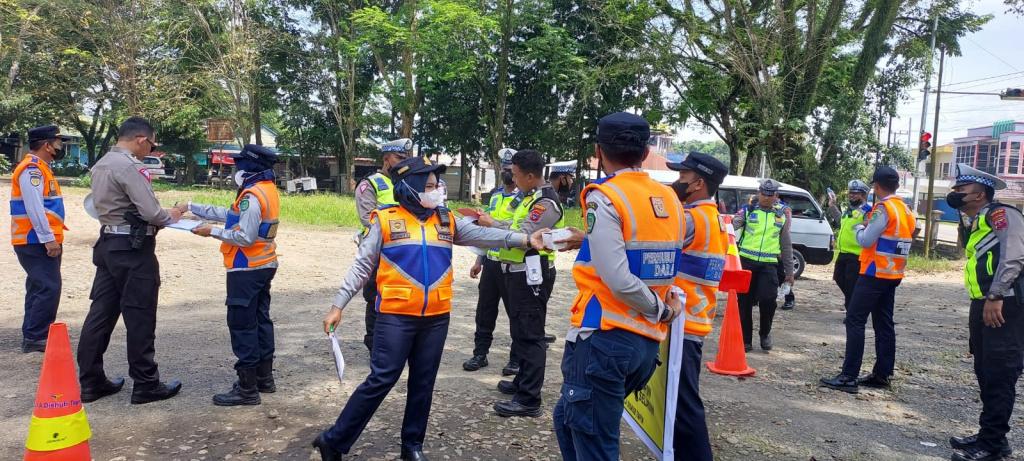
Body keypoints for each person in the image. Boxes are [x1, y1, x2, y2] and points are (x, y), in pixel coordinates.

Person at [312, 156, 545, 461]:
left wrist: (525, 239)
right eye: (431, 186)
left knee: (423, 382)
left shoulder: (446, 220)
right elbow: (361, 267)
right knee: (381, 379)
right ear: (410, 187)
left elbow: (485, 235)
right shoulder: (384, 220)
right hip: (395, 318)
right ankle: (333, 440)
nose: (438, 191)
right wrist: (338, 305)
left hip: (435, 318)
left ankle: (412, 446)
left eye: (438, 185)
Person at [552, 111, 683, 461]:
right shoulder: (669, 198)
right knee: (566, 418)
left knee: (595, 442)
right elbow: (647, 251)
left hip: (606, 338)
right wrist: (588, 239)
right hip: (643, 345)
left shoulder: (606, 196)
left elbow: (620, 280)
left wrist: (661, 311)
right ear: (645, 152)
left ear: (599, 151)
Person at [77, 117, 184, 404]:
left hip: (108, 245)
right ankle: (146, 383)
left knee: (101, 313)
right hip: (133, 249)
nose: (151, 150)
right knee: (140, 315)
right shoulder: (130, 167)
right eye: (152, 145)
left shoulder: (102, 164)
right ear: (140, 139)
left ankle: (90, 381)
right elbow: (152, 213)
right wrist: (173, 215)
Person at [179, 144, 281, 406]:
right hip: (263, 264)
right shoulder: (265, 189)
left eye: (240, 164)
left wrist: (210, 231)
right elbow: (232, 215)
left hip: (245, 267)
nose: (237, 169)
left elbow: (245, 236)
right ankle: (264, 378)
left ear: (250, 166)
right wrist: (192, 207)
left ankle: (247, 389)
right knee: (260, 321)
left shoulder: (252, 195)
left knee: (242, 325)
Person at [945, 164, 1024, 461]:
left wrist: (996, 294)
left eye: (960, 190)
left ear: (979, 194)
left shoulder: (1002, 214)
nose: (955, 194)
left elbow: (1014, 256)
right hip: (983, 302)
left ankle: (992, 447)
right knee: (985, 371)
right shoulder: (978, 220)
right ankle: (991, 436)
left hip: (1004, 304)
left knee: (999, 373)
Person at [480, 149, 564, 418]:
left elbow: (524, 235)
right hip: (518, 273)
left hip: (531, 274)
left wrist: (491, 225)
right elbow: (514, 225)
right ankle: (522, 382)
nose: (513, 180)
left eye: (515, 175)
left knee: (531, 335)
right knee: (520, 331)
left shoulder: (545, 202)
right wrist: (492, 223)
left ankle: (529, 399)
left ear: (530, 176)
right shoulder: (528, 196)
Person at [820, 166, 914, 394]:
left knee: (854, 320)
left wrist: (860, 228)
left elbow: (865, 240)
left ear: (877, 187)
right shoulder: (905, 209)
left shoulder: (883, 208)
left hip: (874, 272)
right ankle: (882, 374)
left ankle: (848, 376)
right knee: (884, 323)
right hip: (893, 273)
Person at [666, 151, 729, 461]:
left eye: (682, 176)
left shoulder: (690, 219)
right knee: (677, 400)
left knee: (684, 404)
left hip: (682, 322)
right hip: (695, 318)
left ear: (698, 183)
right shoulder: (714, 218)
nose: (677, 181)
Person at [11, 125, 70, 353]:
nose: (60, 147)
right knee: (48, 287)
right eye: (58, 142)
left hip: (36, 239)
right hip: (35, 240)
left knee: (39, 286)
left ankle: (32, 334)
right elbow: (34, 208)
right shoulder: (32, 170)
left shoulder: (41, 168)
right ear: (47, 145)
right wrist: (48, 239)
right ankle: (37, 336)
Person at [464, 148, 520, 373]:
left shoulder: (526, 197)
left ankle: (516, 359)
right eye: (503, 168)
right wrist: (479, 260)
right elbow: (486, 232)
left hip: (513, 264)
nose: (506, 172)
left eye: (510, 169)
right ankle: (480, 353)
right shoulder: (495, 195)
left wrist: (491, 224)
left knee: (516, 312)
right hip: (491, 262)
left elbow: (520, 230)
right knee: (484, 311)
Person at [354, 138, 410, 351]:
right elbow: (367, 219)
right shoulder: (370, 184)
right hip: (379, 252)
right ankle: (374, 343)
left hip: (403, 252)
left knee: (400, 297)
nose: (403, 162)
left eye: (405, 158)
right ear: (386, 159)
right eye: (399, 158)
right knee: (376, 298)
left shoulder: (407, 182)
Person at [733, 179, 794, 351]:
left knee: (768, 299)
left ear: (776, 196)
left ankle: (765, 333)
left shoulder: (781, 215)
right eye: (763, 194)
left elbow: (786, 245)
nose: (766, 197)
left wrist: (789, 272)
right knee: (744, 302)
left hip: (769, 265)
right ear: (758, 193)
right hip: (746, 262)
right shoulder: (748, 210)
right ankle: (746, 340)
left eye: (770, 195)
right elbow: (731, 226)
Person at [828, 179, 872, 310]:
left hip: (856, 255)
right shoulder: (849, 210)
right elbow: (840, 221)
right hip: (843, 252)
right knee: (839, 278)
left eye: (856, 193)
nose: (852, 195)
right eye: (851, 193)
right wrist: (832, 206)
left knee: (851, 284)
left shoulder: (867, 210)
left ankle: (852, 310)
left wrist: (865, 224)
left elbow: (870, 226)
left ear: (863, 195)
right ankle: (854, 304)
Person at [774, 197, 796, 310]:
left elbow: (785, 232)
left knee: (781, 276)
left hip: (777, 251)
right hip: (762, 251)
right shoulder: (758, 206)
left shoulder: (784, 209)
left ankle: (789, 298)